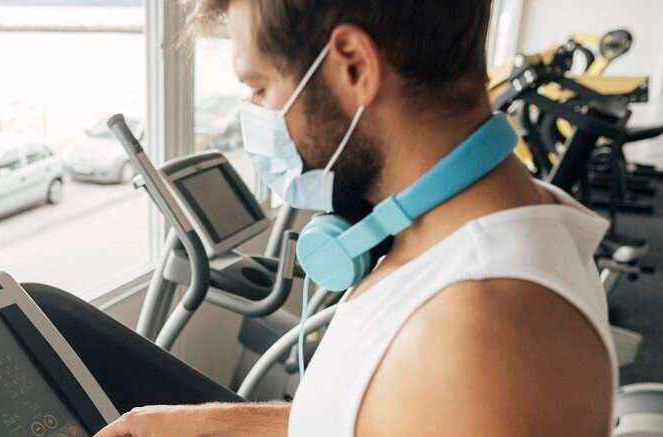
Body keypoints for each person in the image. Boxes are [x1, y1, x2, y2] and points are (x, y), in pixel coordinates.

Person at [96, 0, 616, 435]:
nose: (256, 112)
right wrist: (211, 427)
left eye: (259, 88)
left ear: (353, 66)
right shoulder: (459, 232)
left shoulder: (479, 330)